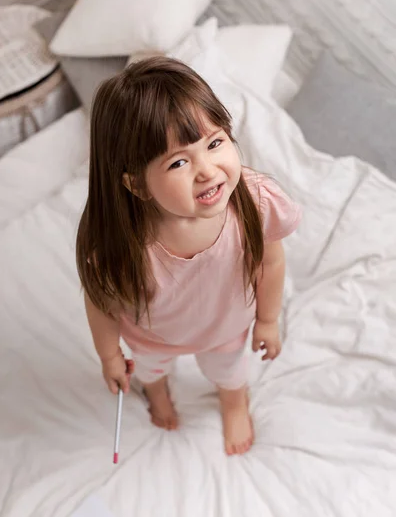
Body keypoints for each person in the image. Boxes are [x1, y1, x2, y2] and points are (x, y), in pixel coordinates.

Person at [76, 57, 301, 456]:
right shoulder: (123, 244)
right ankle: (158, 393)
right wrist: (110, 356)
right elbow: (102, 302)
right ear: (137, 185)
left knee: (229, 373)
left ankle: (234, 402)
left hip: (225, 328)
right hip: (152, 337)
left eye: (215, 143)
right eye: (178, 162)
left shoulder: (253, 201)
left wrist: (267, 320)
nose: (207, 170)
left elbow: (271, 262)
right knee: (150, 372)